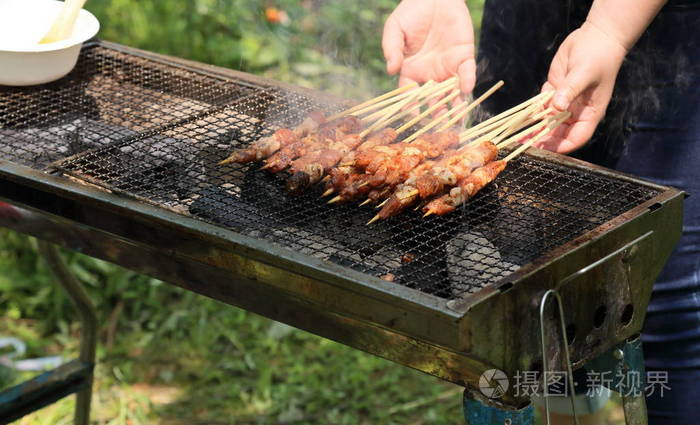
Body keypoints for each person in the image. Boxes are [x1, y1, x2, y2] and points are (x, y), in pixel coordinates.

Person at [383, 0, 700, 424]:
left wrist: (608, 30)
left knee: (659, 292)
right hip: (525, 18)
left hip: (660, 27)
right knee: (537, 280)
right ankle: (569, 412)